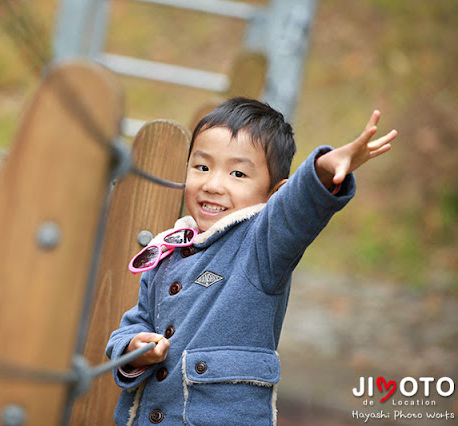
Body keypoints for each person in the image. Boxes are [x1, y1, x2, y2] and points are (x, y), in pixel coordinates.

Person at [105, 97, 398, 425]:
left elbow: (296, 208)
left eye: (238, 173)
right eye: (202, 167)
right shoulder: (168, 250)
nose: (213, 185)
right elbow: (137, 320)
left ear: (274, 193)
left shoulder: (263, 245)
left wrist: (324, 171)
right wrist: (133, 346)